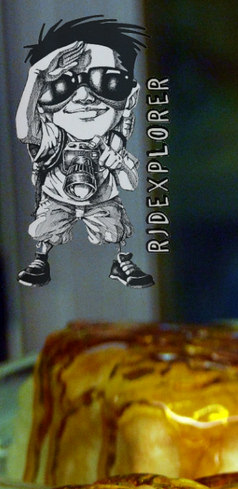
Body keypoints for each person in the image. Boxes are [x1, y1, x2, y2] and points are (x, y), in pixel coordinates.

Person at [14, 16, 153, 288]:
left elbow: (130, 183)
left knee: (115, 230)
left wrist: (118, 164)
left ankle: (122, 261)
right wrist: (37, 76)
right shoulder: (53, 137)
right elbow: (25, 131)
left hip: (102, 201)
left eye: (107, 81)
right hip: (57, 199)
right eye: (61, 87)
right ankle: (41, 259)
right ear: (41, 102)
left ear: (130, 97)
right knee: (46, 228)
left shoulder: (114, 140)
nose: (83, 97)